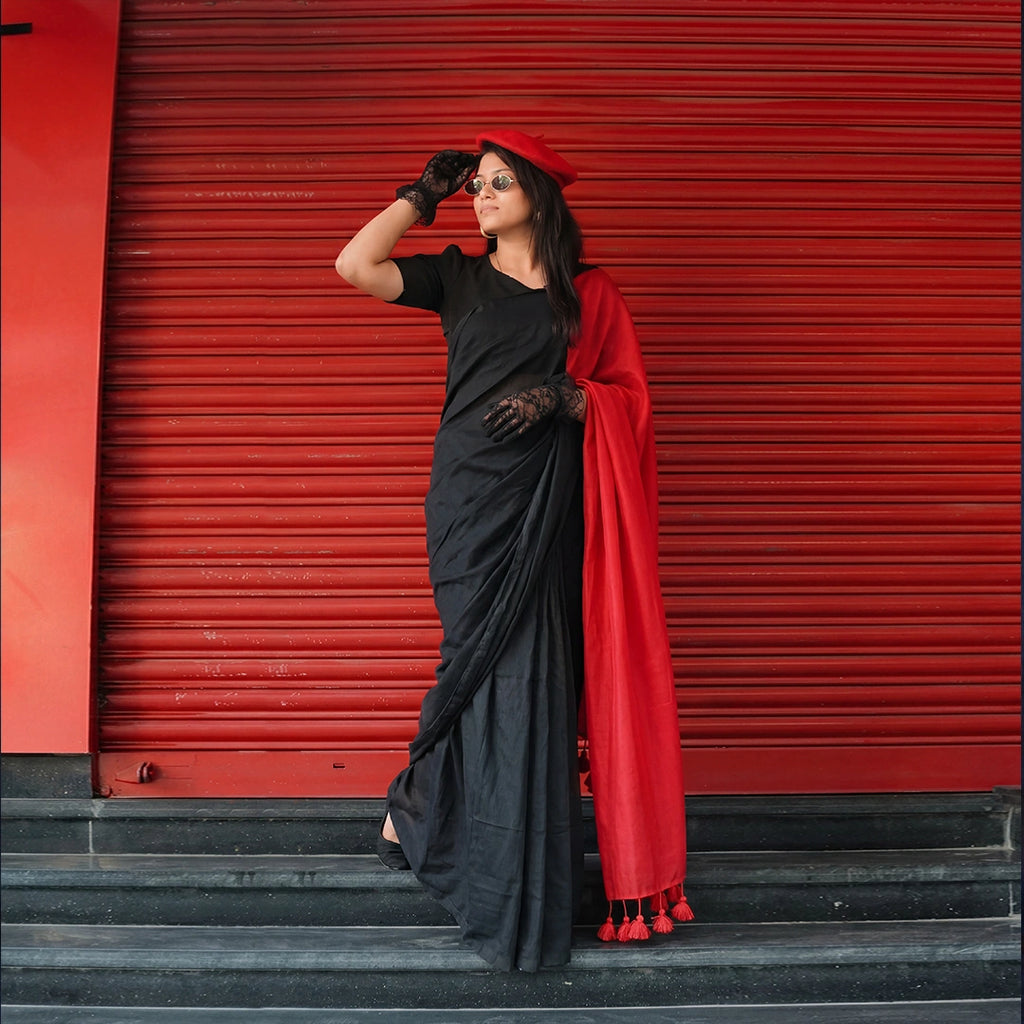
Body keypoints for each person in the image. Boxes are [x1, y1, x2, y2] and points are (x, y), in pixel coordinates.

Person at [335, 130, 691, 973]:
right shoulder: (457, 276)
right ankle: (419, 802)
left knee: (533, 677)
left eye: (499, 183)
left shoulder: (589, 294)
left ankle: (494, 860)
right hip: (469, 502)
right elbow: (354, 265)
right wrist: (420, 195)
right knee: (474, 660)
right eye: (475, 188)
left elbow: (631, 404)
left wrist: (568, 395)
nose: (482, 196)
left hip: (554, 508)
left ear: (538, 192)